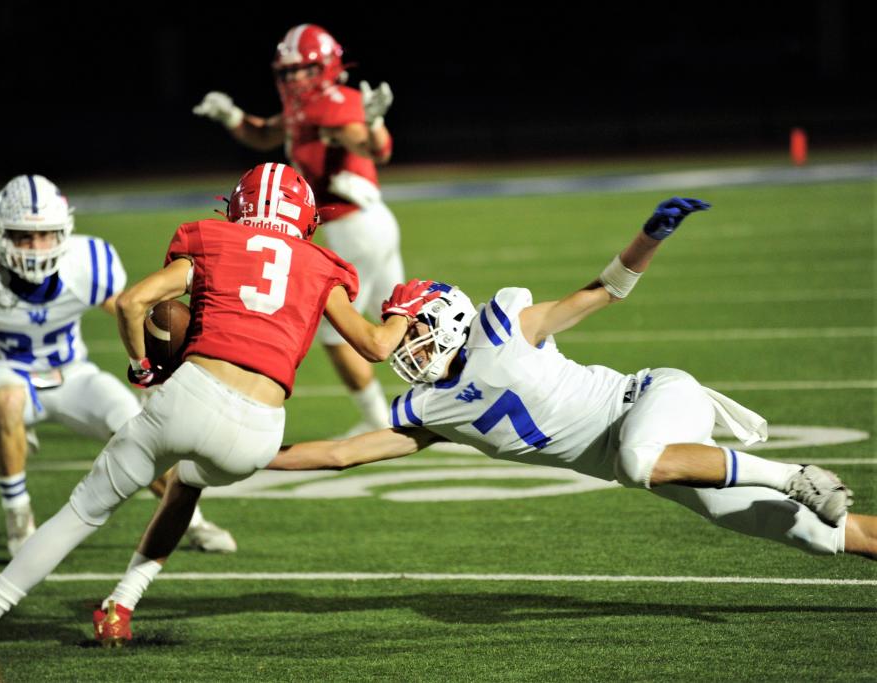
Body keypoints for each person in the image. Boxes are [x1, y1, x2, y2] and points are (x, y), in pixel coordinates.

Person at [85, 195, 875, 645]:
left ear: (449, 317)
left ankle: (794, 472)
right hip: (661, 458)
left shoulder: (509, 322)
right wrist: (251, 453)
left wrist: (651, 234)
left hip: (653, 402)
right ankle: (821, 508)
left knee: (640, 461)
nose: (408, 350)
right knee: (826, 538)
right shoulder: (432, 408)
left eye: (415, 330)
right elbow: (338, 454)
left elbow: (600, 292)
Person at [0, 162, 435, 653]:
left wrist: (141, 369)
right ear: (304, 217)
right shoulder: (324, 266)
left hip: (190, 398)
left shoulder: (211, 238)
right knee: (186, 483)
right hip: (257, 435)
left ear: (239, 207)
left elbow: (133, 304)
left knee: (83, 511)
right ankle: (121, 606)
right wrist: (402, 312)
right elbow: (373, 346)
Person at [0, 175, 235, 556]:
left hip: (73, 374)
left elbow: (128, 313)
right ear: (1, 234)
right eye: (23, 235)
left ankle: (192, 522)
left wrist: (150, 367)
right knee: (7, 403)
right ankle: (18, 517)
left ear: (64, 232)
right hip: (6, 375)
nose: (36, 247)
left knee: (139, 431)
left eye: (46, 235)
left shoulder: (88, 263)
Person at [193, 23, 402, 437]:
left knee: (335, 332)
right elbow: (266, 133)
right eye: (287, 72)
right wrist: (232, 115)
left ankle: (379, 422)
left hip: (354, 225)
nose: (293, 80)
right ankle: (446, 403)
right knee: (397, 316)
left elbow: (371, 147)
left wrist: (374, 125)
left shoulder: (334, 102)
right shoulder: (307, 107)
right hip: (371, 222)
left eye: (301, 70)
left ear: (326, 67)